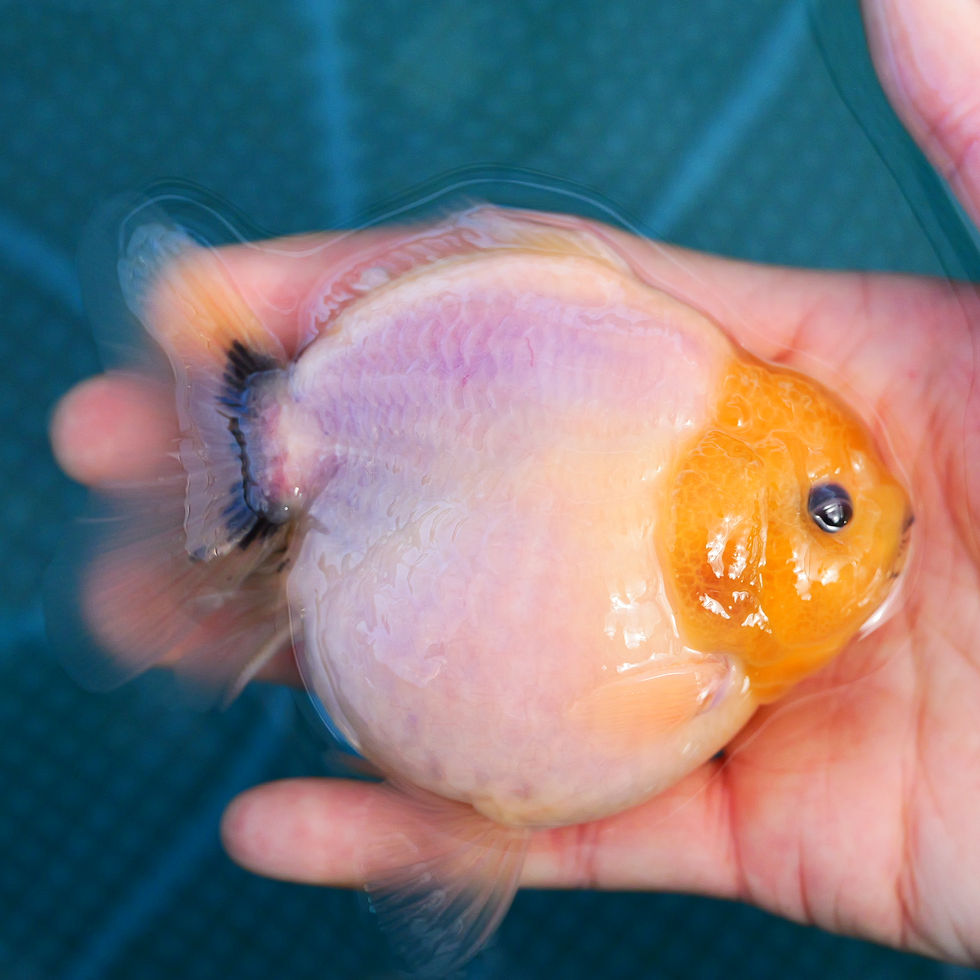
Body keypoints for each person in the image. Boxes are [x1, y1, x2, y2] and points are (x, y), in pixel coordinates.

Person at [49, 0, 980, 965]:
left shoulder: (700, 647)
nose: (879, 523)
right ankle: (230, 487)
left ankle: (218, 519)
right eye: (827, 512)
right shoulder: (678, 383)